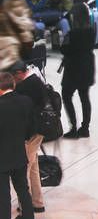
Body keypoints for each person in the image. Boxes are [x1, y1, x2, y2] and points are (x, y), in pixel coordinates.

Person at [10, 61, 45, 214]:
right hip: (39, 130)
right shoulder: (37, 78)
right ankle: (37, 202)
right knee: (33, 168)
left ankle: (26, 207)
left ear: (19, 73)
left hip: (30, 133)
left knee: (23, 170)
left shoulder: (25, 86)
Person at [0, 71, 35, 219]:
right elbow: (32, 128)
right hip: (19, 154)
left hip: (1, 158)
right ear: (13, 84)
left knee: (3, 196)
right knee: (23, 191)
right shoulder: (26, 101)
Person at [60, 2, 95, 138]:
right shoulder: (92, 30)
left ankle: (73, 127)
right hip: (87, 66)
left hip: (73, 68)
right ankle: (85, 128)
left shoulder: (72, 33)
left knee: (67, 95)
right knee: (84, 97)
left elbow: (64, 49)